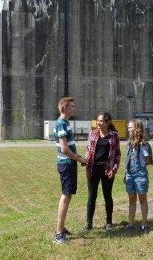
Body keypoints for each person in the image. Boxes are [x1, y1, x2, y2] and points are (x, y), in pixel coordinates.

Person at [53, 97, 87, 245]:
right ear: (64, 108)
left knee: (68, 196)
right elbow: (64, 149)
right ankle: (59, 233)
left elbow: (69, 148)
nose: (75, 108)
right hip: (67, 164)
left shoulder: (65, 123)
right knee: (66, 196)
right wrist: (79, 160)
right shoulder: (61, 124)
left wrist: (77, 157)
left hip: (69, 163)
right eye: (72, 106)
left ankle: (61, 228)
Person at [83, 113, 121, 232]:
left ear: (107, 122)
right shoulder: (92, 134)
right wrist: (88, 169)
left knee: (107, 196)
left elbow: (117, 155)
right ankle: (89, 224)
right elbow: (88, 152)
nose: (98, 123)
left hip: (107, 169)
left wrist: (113, 169)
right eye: (97, 121)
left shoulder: (114, 136)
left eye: (101, 121)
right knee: (91, 197)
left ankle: (109, 222)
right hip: (93, 169)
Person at [123, 119, 153, 234]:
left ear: (137, 129)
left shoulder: (144, 144)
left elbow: (148, 160)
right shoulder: (129, 143)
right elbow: (128, 159)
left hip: (140, 174)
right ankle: (131, 224)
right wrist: (126, 173)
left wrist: (142, 162)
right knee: (131, 199)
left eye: (131, 127)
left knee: (142, 199)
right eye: (128, 127)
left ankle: (144, 225)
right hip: (130, 174)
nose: (128, 129)